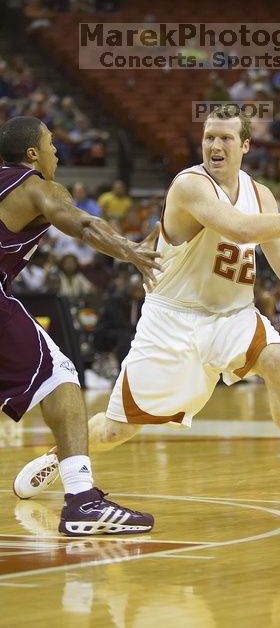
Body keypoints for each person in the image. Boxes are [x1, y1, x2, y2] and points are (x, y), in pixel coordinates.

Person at [15, 106, 280, 514]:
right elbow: (239, 229)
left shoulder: (261, 195)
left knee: (277, 359)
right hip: (172, 319)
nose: (215, 144)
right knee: (117, 429)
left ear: (245, 146)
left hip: (233, 315)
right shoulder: (189, 185)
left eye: (226, 138)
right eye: (209, 136)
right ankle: (61, 456)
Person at [0, 115, 160, 536]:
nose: (57, 152)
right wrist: (130, 250)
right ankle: (81, 500)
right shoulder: (39, 187)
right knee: (60, 379)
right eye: (51, 145)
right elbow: (82, 223)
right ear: (33, 153)